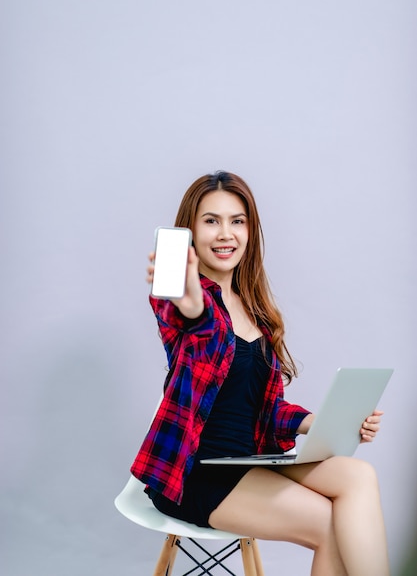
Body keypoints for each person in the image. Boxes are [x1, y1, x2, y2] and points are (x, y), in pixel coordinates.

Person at [131, 170, 390, 576]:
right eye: (211, 220)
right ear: (191, 231)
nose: (225, 234)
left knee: (358, 475)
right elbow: (199, 327)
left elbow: (266, 409)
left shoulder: (255, 312)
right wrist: (193, 302)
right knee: (329, 523)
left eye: (237, 221)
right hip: (196, 473)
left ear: (250, 230)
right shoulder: (180, 300)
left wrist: (323, 424)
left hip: (249, 459)